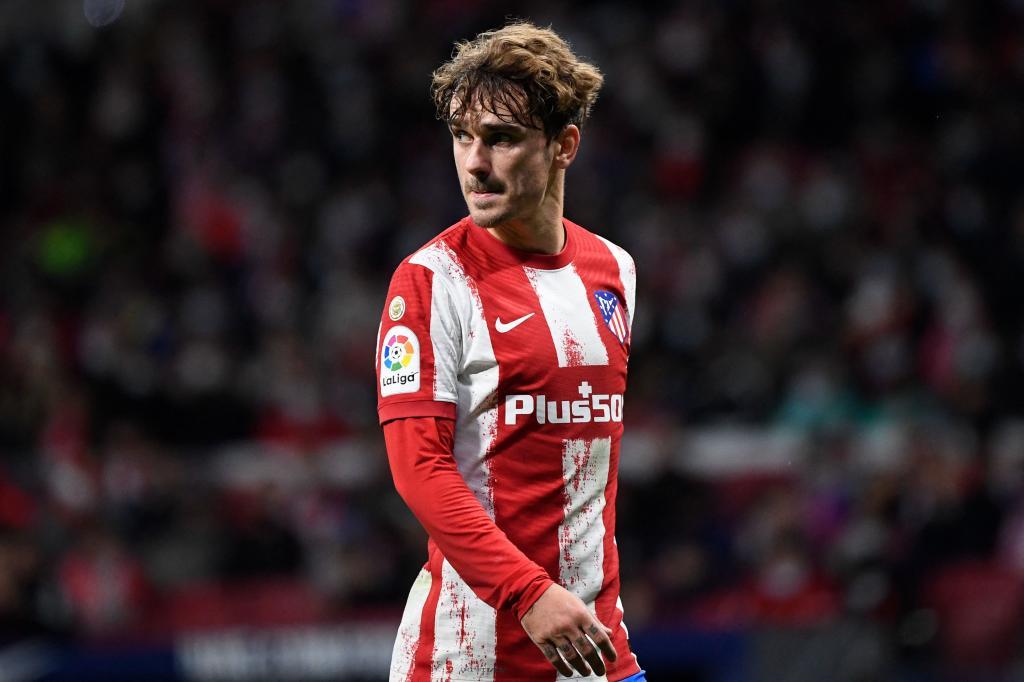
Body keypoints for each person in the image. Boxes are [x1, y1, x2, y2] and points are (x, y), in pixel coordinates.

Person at [375, 21, 644, 681]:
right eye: (463, 137)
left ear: (564, 146)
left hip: (596, 652)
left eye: (501, 138)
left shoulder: (614, 270)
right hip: (469, 660)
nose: (474, 161)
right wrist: (528, 594)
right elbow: (419, 469)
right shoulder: (430, 282)